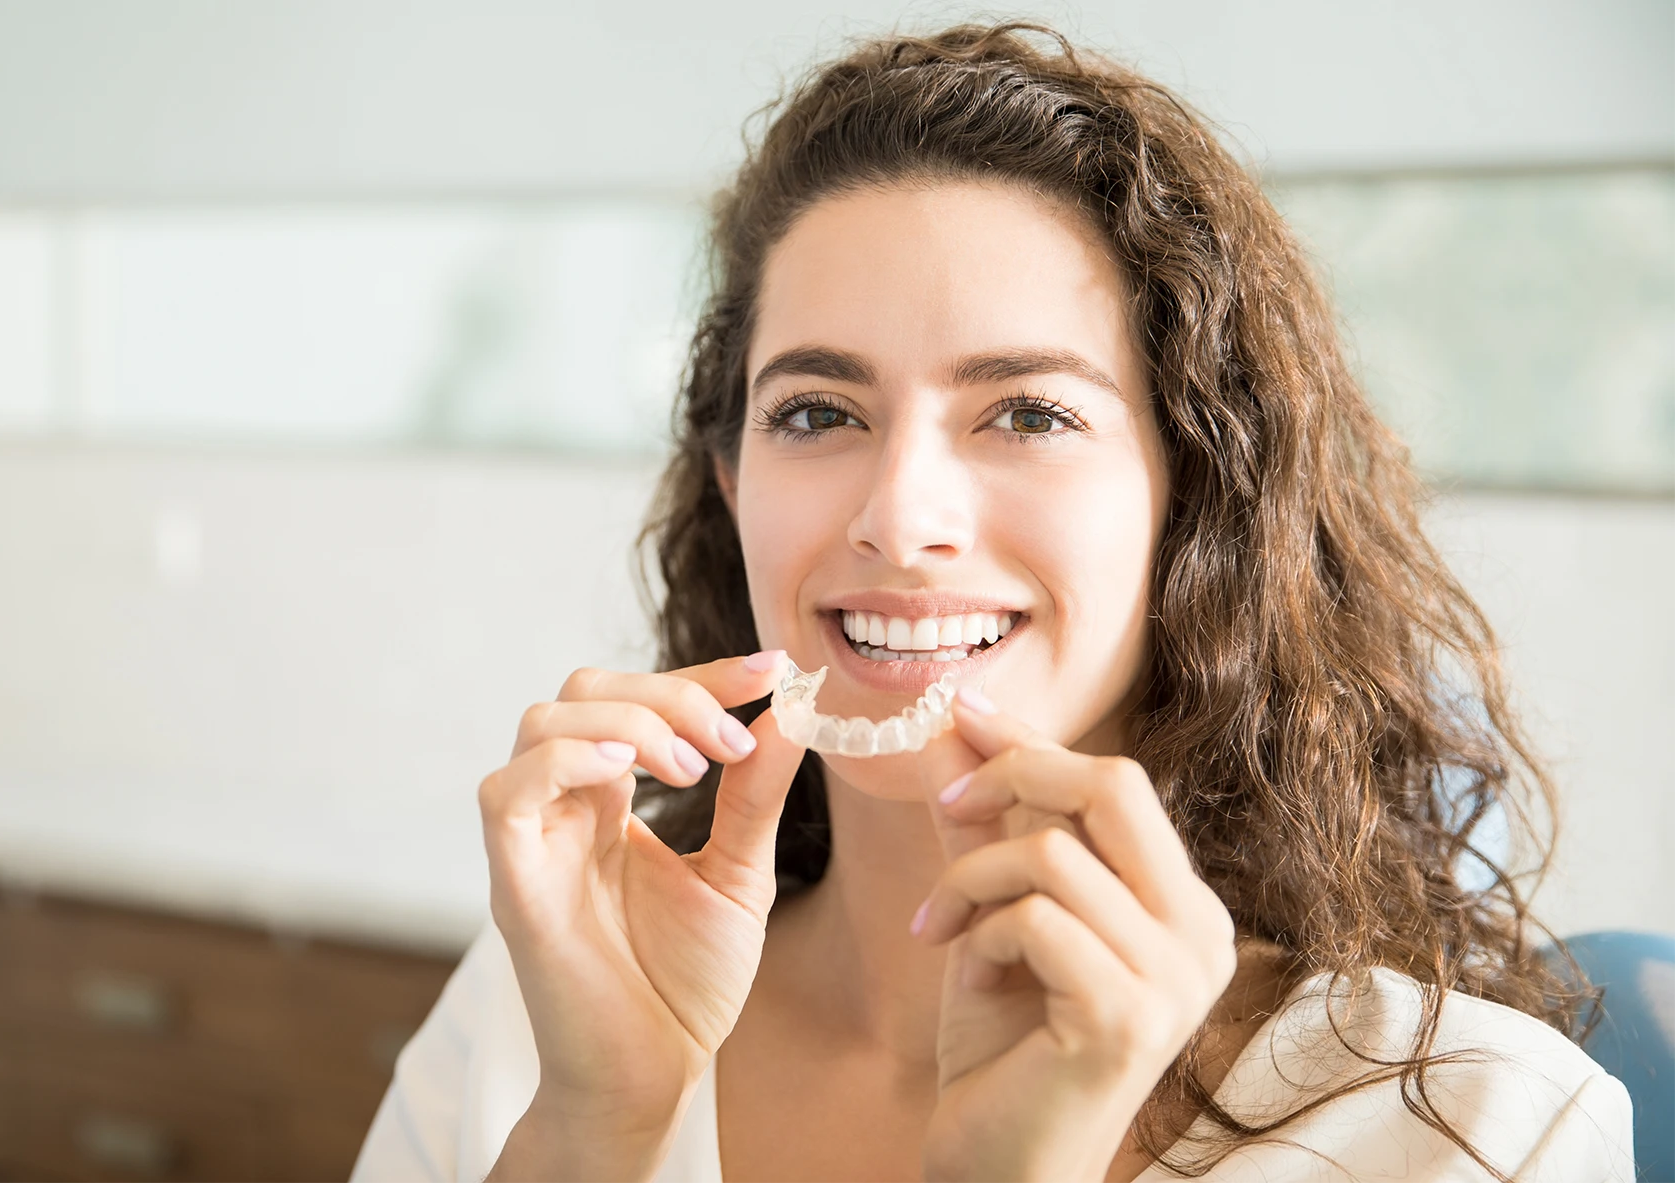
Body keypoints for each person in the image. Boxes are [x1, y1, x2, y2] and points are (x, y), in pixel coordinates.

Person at [352, 23, 1634, 1183]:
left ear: (1195, 500)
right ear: (733, 483)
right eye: (817, 411)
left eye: (1028, 412)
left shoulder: (1478, 1130)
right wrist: (591, 1131)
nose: (901, 517)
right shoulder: (547, 1007)